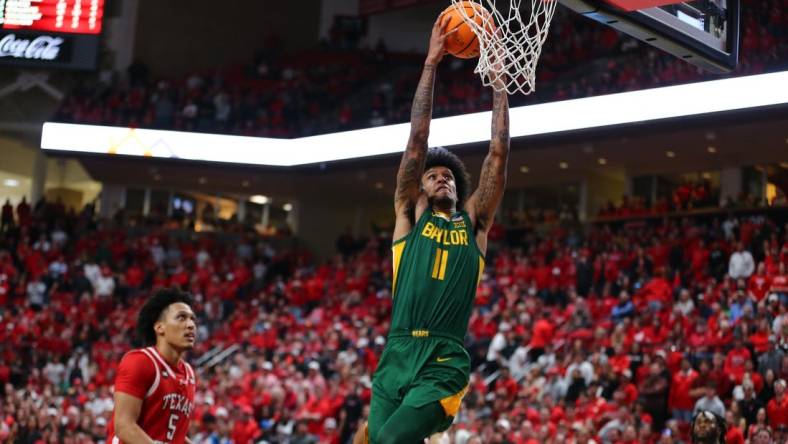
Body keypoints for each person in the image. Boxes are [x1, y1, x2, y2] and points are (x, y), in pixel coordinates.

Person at [356, 14, 510, 444]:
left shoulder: (474, 222)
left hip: (443, 356)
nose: (441, 177)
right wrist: (430, 65)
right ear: (419, 188)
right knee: (370, 438)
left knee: (388, 442)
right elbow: (417, 140)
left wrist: (498, 81)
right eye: (432, 175)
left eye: (447, 175)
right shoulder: (410, 215)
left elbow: (497, 153)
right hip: (398, 350)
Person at [107, 288, 198, 443]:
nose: (190, 325)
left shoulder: (188, 372)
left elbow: (175, 436)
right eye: (181, 318)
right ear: (159, 327)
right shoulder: (141, 362)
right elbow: (124, 426)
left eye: (192, 319)